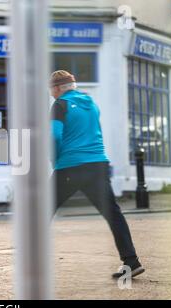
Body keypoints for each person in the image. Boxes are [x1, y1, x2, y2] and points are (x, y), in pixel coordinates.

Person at [49, 70, 145, 279]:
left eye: (51, 90)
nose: (51, 94)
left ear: (57, 88)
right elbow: (94, 131)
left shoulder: (59, 105)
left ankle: (33, 262)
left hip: (70, 165)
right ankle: (131, 262)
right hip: (97, 164)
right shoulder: (91, 103)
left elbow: (54, 136)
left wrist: (55, 160)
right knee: (113, 213)